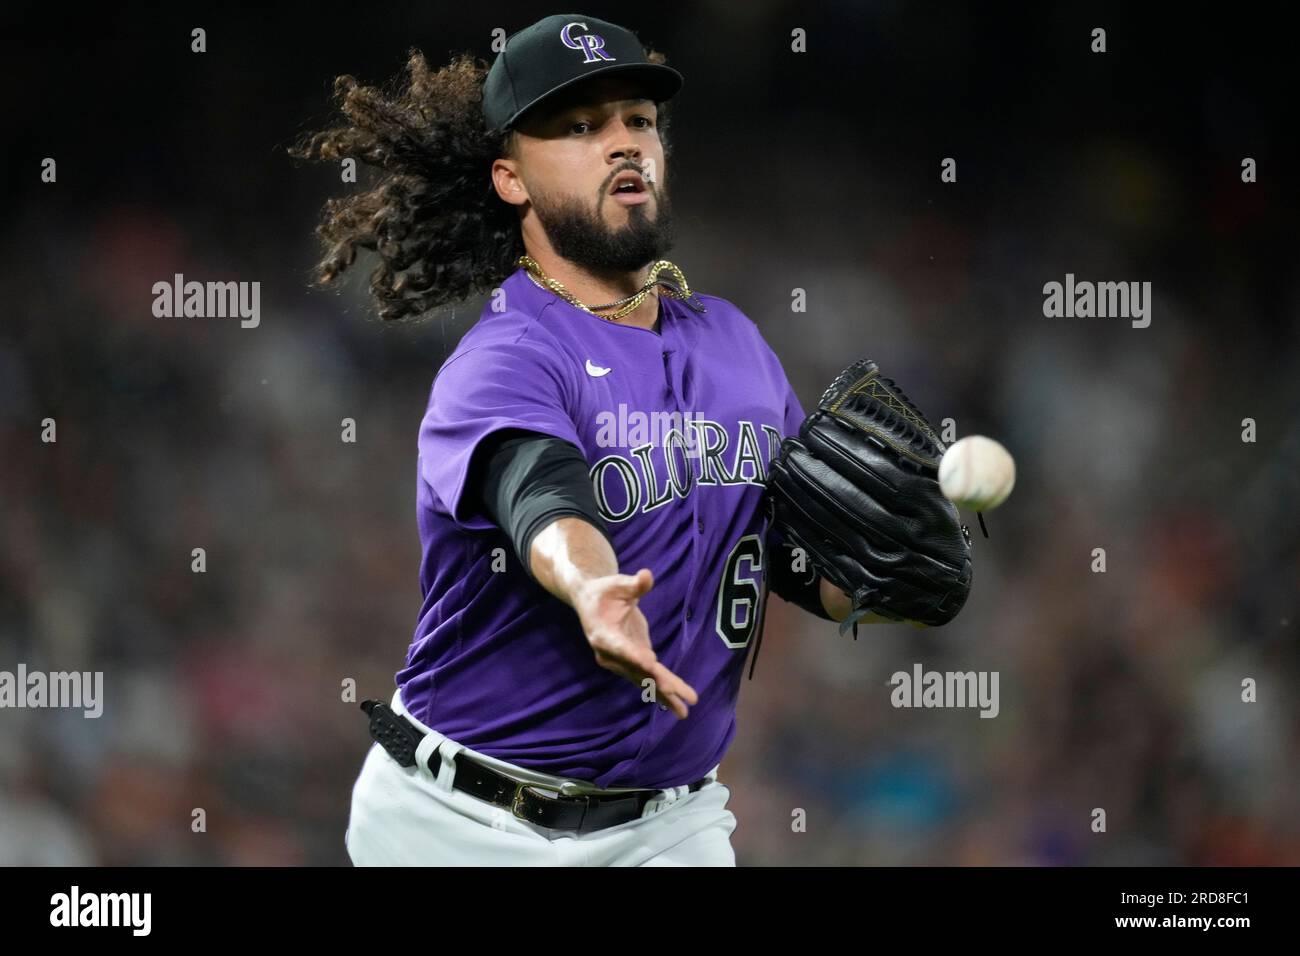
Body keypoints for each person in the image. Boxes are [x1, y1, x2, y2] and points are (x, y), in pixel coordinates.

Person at [294, 13, 861, 866]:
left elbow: (799, 569)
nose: (623, 143)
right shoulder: (508, 357)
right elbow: (540, 497)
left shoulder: (737, 345)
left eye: (638, 119)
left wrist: (877, 570)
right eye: (580, 126)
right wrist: (593, 587)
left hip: (668, 826)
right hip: (458, 824)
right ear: (510, 178)